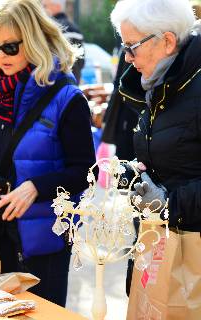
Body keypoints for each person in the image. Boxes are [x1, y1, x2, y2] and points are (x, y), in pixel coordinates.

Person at [0, 0, 95, 306]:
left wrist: (35, 186)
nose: (1, 55)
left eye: (11, 47)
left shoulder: (67, 98)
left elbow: (85, 172)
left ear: (35, 40)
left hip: (43, 240)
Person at [110, 0, 201, 295]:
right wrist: (137, 171)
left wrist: (168, 204)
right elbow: (177, 153)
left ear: (168, 41)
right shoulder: (158, 82)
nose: (126, 58)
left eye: (131, 46)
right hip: (163, 245)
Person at [41, 0, 85, 83]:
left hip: (55, 85)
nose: (42, 10)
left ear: (57, 6)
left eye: (45, 6)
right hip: (74, 84)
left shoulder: (50, 29)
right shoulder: (76, 30)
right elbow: (81, 62)